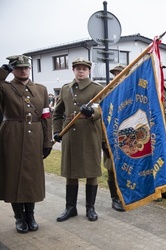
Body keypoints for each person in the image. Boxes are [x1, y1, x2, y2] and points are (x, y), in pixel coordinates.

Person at [0, 55, 53, 233]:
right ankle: (19, 217)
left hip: (35, 136)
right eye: (18, 68)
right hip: (12, 135)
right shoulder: (5, 87)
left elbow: (46, 116)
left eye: (26, 68)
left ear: (30, 69)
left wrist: (47, 141)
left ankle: (30, 215)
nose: (23, 70)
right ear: (13, 69)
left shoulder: (41, 89)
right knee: (14, 176)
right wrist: (4, 70)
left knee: (32, 178)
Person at [53, 58, 104, 222]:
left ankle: (90, 208)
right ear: (73, 70)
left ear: (89, 71)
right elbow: (57, 113)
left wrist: (91, 113)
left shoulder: (97, 89)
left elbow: (103, 110)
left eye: (84, 68)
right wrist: (56, 131)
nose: (81, 71)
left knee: (91, 171)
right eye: (78, 68)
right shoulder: (65, 88)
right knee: (71, 171)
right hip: (70, 135)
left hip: (89, 134)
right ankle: (70, 208)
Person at [101, 65, 126, 211]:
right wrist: (104, 141)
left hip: (127, 137)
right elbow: (101, 119)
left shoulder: (130, 91)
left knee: (127, 167)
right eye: (115, 74)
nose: (118, 77)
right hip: (110, 137)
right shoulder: (106, 93)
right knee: (112, 169)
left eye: (121, 74)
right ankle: (114, 198)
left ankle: (125, 195)